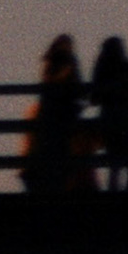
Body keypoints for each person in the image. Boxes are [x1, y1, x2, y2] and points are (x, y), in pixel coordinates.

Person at [24, 35, 86, 194]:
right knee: (56, 151)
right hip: (56, 114)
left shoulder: (62, 61)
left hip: (59, 114)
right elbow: (50, 83)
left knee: (58, 152)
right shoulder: (56, 61)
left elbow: (78, 87)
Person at [90, 36, 128, 192]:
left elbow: (94, 98)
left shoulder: (103, 69)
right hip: (127, 117)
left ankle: (116, 190)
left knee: (116, 161)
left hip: (115, 117)